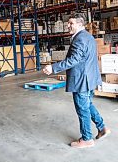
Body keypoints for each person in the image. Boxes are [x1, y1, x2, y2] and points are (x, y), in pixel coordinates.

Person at [43, 12, 111, 148]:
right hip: (90, 78)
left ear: (79, 24)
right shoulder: (88, 36)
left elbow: (74, 59)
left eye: (71, 23)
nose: (68, 25)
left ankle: (87, 139)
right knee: (87, 104)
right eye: (68, 23)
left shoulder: (79, 39)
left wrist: (53, 68)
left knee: (82, 109)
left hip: (82, 80)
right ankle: (102, 128)